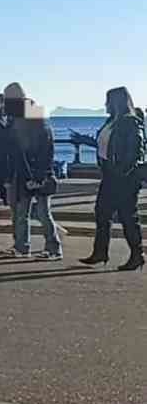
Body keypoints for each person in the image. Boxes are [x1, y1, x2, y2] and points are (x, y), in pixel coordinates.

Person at [80, 87, 145, 272]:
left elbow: (135, 150)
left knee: (127, 216)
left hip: (124, 178)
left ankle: (137, 255)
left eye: (108, 101)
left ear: (116, 102)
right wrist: (85, 140)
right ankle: (100, 252)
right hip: (109, 175)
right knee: (102, 213)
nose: (105, 104)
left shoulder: (130, 122)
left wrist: (124, 170)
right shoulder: (111, 121)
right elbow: (108, 145)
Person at [4, 84, 62, 261]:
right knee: (26, 212)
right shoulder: (24, 116)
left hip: (34, 172)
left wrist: (38, 175)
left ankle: (51, 248)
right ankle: (24, 247)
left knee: (38, 212)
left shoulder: (31, 118)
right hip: (28, 171)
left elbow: (42, 149)